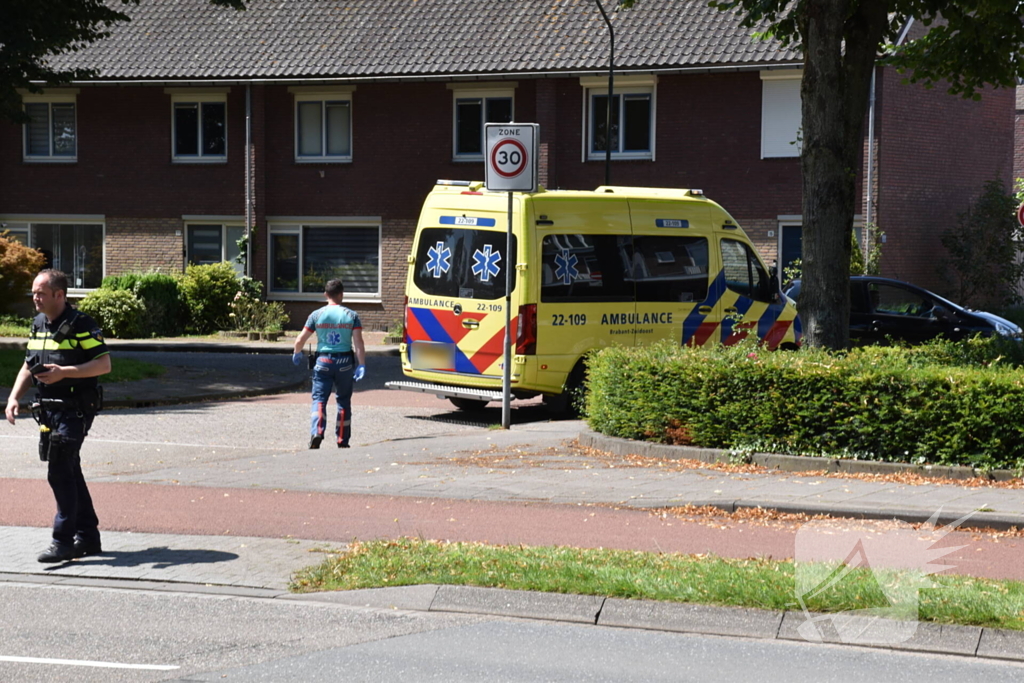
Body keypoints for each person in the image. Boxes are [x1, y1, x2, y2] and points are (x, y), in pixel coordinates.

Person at [5, 269, 111, 563]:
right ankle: (88, 537)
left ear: (59, 295)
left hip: (75, 409)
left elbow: (104, 364)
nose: (34, 298)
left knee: (59, 471)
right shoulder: (38, 324)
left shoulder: (81, 325)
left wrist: (65, 372)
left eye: (40, 293)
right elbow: (29, 366)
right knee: (70, 471)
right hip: (48, 411)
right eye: (34, 292)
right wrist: (14, 397)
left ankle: (63, 541)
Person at [292, 279, 366, 449]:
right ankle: (342, 440)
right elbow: (359, 343)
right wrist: (361, 364)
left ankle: (317, 432)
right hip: (345, 362)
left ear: (326, 294)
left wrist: (297, 353)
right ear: (341, 294)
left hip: (322, 361)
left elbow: (300, 339)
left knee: (319, 399)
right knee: (343, 401)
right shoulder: (352, 316)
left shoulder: (316, 315)